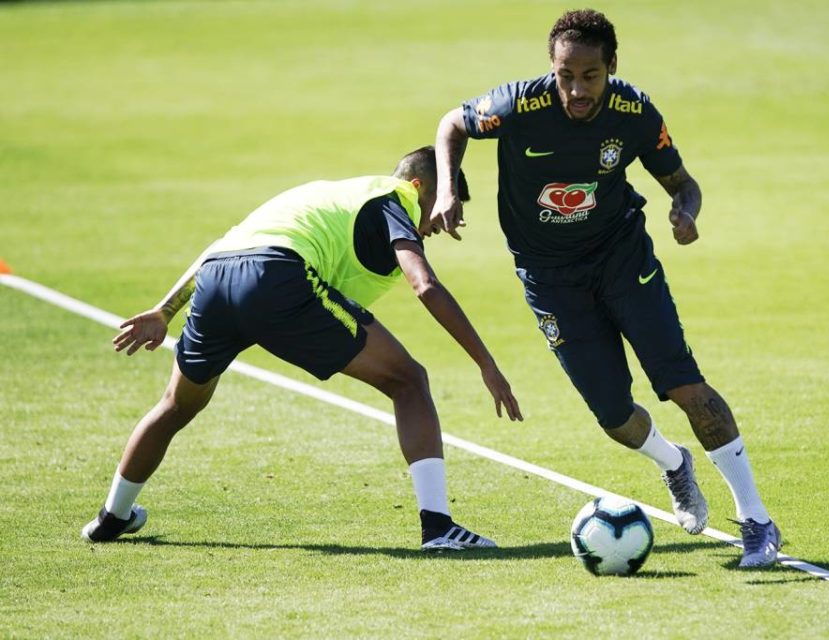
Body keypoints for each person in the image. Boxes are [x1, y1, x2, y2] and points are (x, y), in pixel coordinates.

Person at [431, 9, 781, 567]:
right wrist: (448, 190)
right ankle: (674, 464)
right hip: (549, 278)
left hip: (621, 259)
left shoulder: (633, 113)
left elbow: (683, 183)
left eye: (590, 76)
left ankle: (757, 522)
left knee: (686, 386)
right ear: (551, 67)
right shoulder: (518, 105)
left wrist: (685, 212)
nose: (576, 90)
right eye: (565, 75)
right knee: (614, 416)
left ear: (611, 66)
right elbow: (452, 124)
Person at [81, 146, 523, 551]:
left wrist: (166, 310)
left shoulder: (331, 194)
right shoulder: (396, 199)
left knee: (176, 405)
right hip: (278, 277)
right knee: (408, 380)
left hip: (217, 279)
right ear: (419, 185)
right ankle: (439, 528)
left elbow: (221, 249)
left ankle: (112, 515)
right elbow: (424, 284)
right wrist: (486, 363)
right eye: (443, 206)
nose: (441, 223)